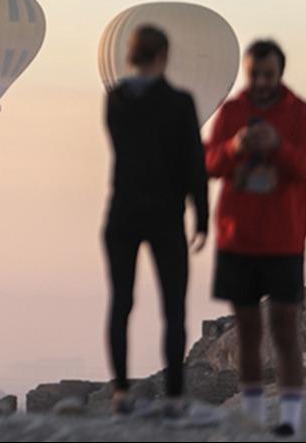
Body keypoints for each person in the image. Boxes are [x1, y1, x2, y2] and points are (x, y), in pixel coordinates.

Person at [204, 39, 306, 438]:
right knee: (248, 331)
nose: (259, 82)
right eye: (253, 73)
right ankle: (254, 417)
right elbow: (207, 161)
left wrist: (280, 148)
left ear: (280, 73)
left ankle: (290, 419)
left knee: (286, 331)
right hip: (237, 239)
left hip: (283, 240)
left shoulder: (301, 114)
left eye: (267, 74)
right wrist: (235, 146)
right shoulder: (233, 111)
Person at [103, 25, 209, 416]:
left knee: (121, 303)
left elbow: (125, 150)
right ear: (164, 55)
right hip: (166, 214)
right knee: (174, 307)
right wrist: (202, 213)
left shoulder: (116, 100)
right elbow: (193, 163)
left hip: (123, 212)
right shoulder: (179, 103)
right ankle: (176, 394)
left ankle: (119, 392)